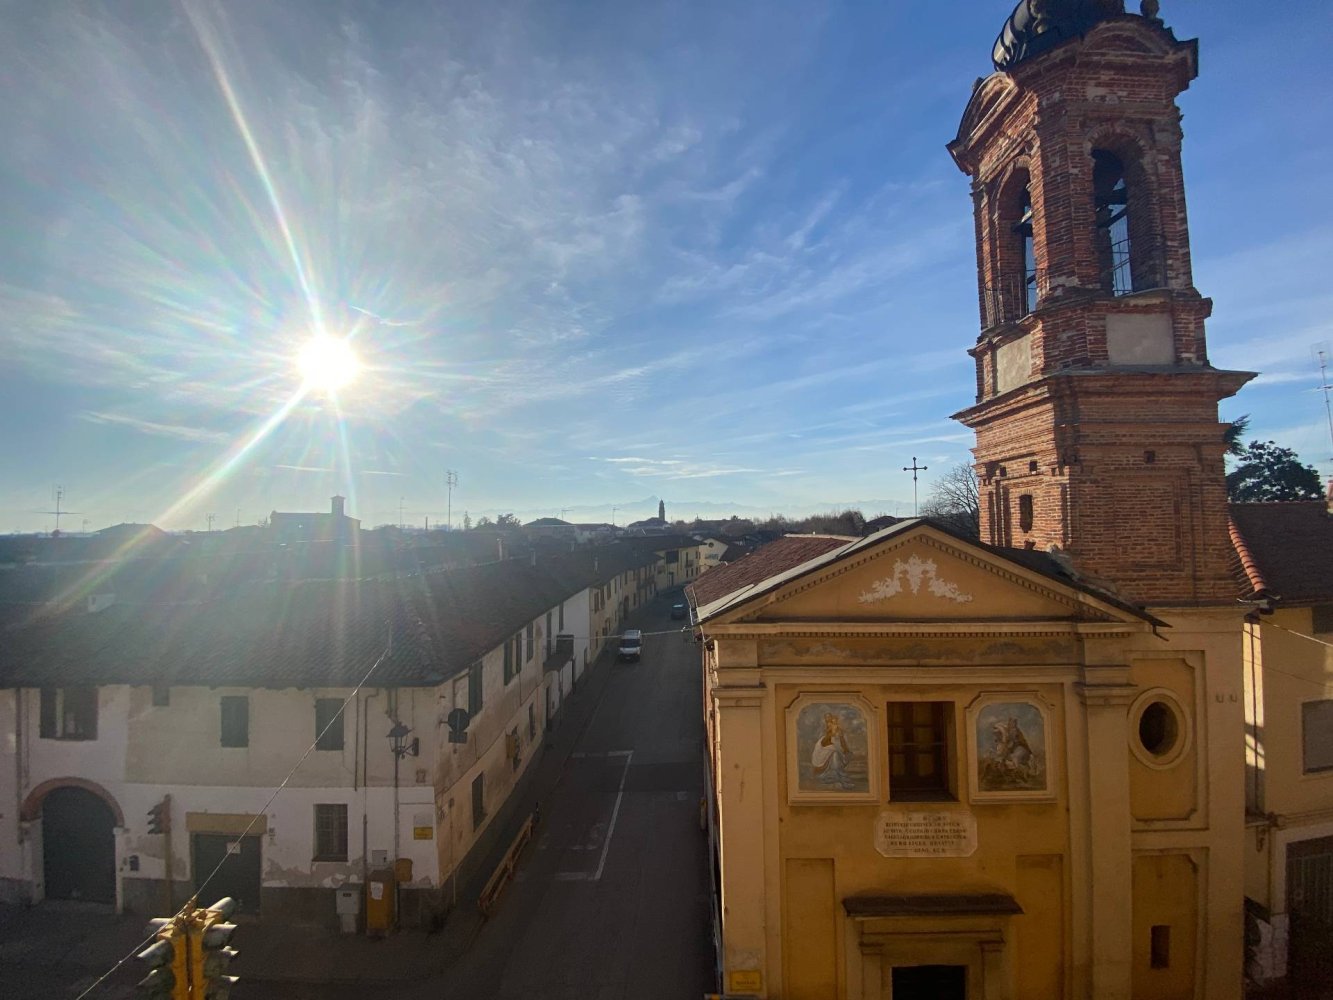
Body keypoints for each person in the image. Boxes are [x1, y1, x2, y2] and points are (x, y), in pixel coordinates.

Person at [811, 712, 855, 789]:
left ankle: (841, 780)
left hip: (835, 750)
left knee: (837, 758)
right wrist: (831, 735)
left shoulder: (839, 731)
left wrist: (845, 749)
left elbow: (842, 742)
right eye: (830, 722)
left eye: (834, 721)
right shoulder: (827, 733)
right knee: (835, 758)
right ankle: (842, 781)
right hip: (827, 750)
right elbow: (824, 743)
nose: (831, 723)